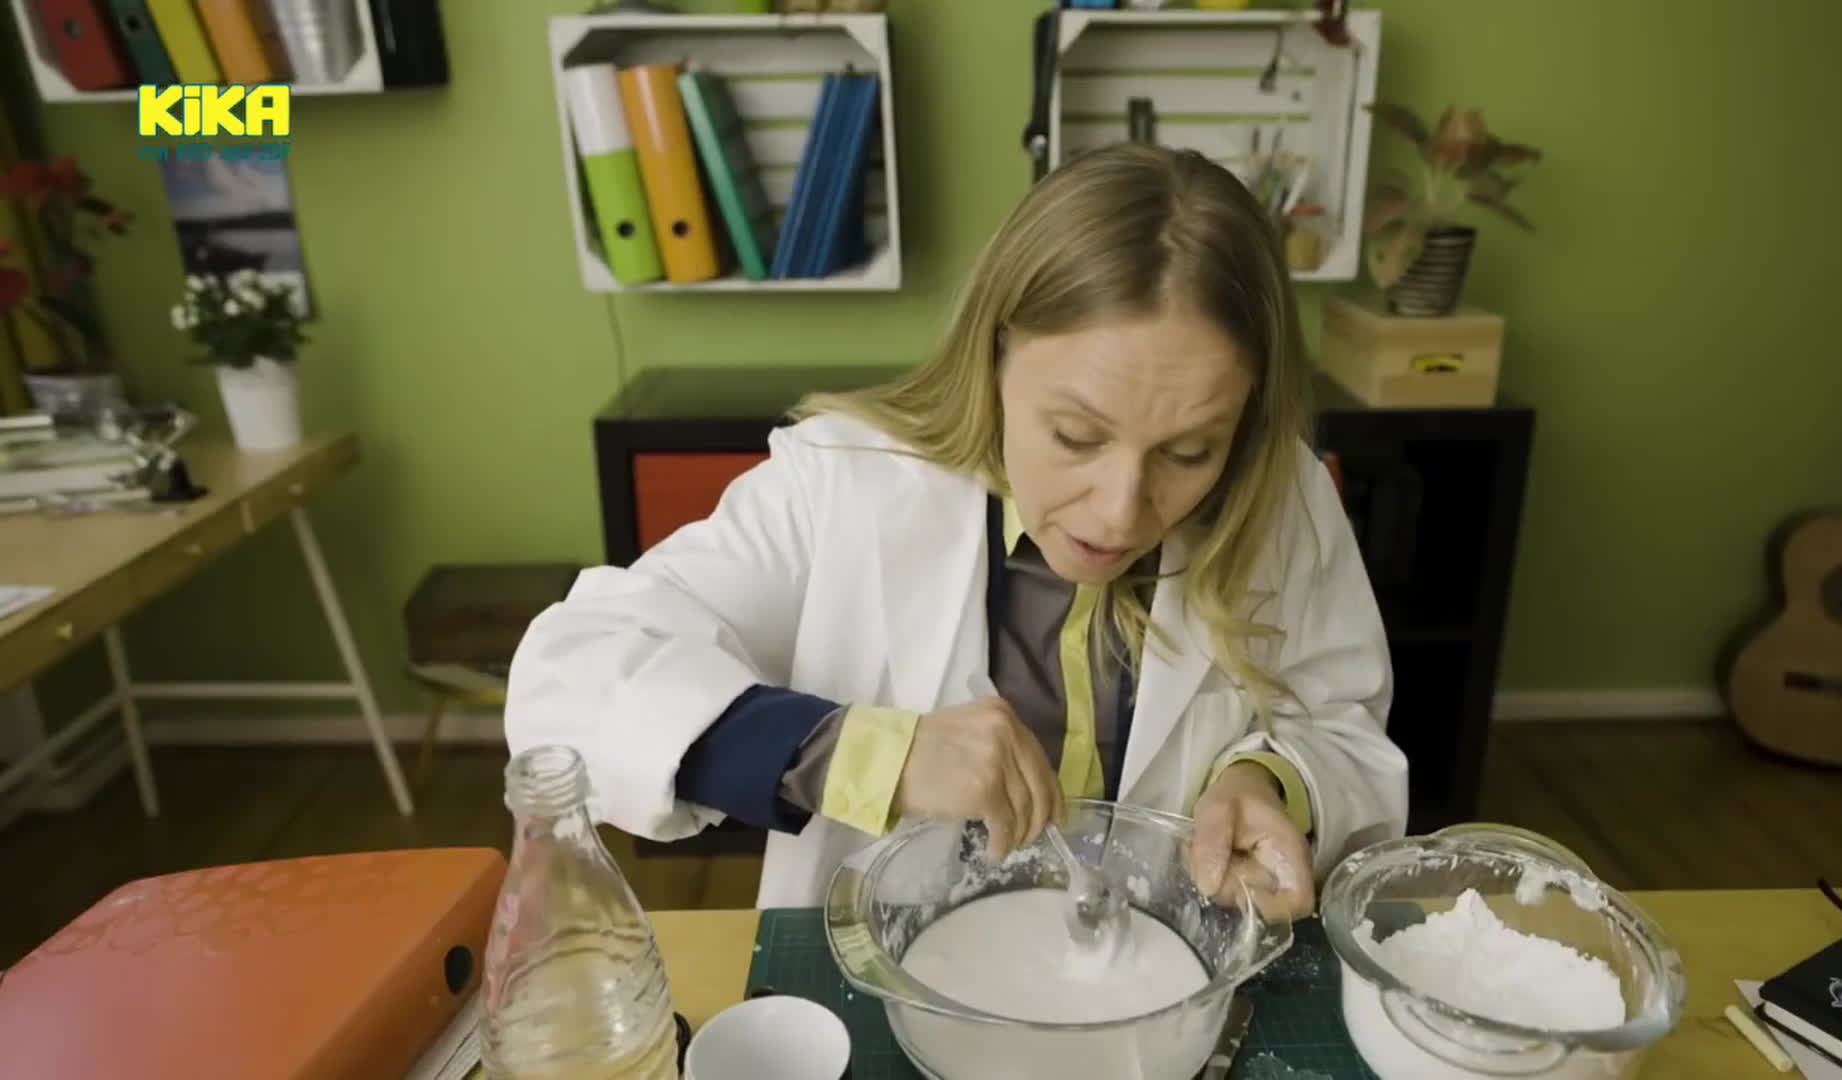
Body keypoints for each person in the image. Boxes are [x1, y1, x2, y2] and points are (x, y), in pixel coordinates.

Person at [505, 143, 1409, 921]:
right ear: (995, 354)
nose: (1119, 511)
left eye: (1189, 452)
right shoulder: (840, 484)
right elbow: (571, 676)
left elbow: (1341, 722)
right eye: (1076, 436)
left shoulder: (1281, 498)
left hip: (1167, 969)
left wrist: (1271, 784)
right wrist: (863, 756)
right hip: (887, 975)